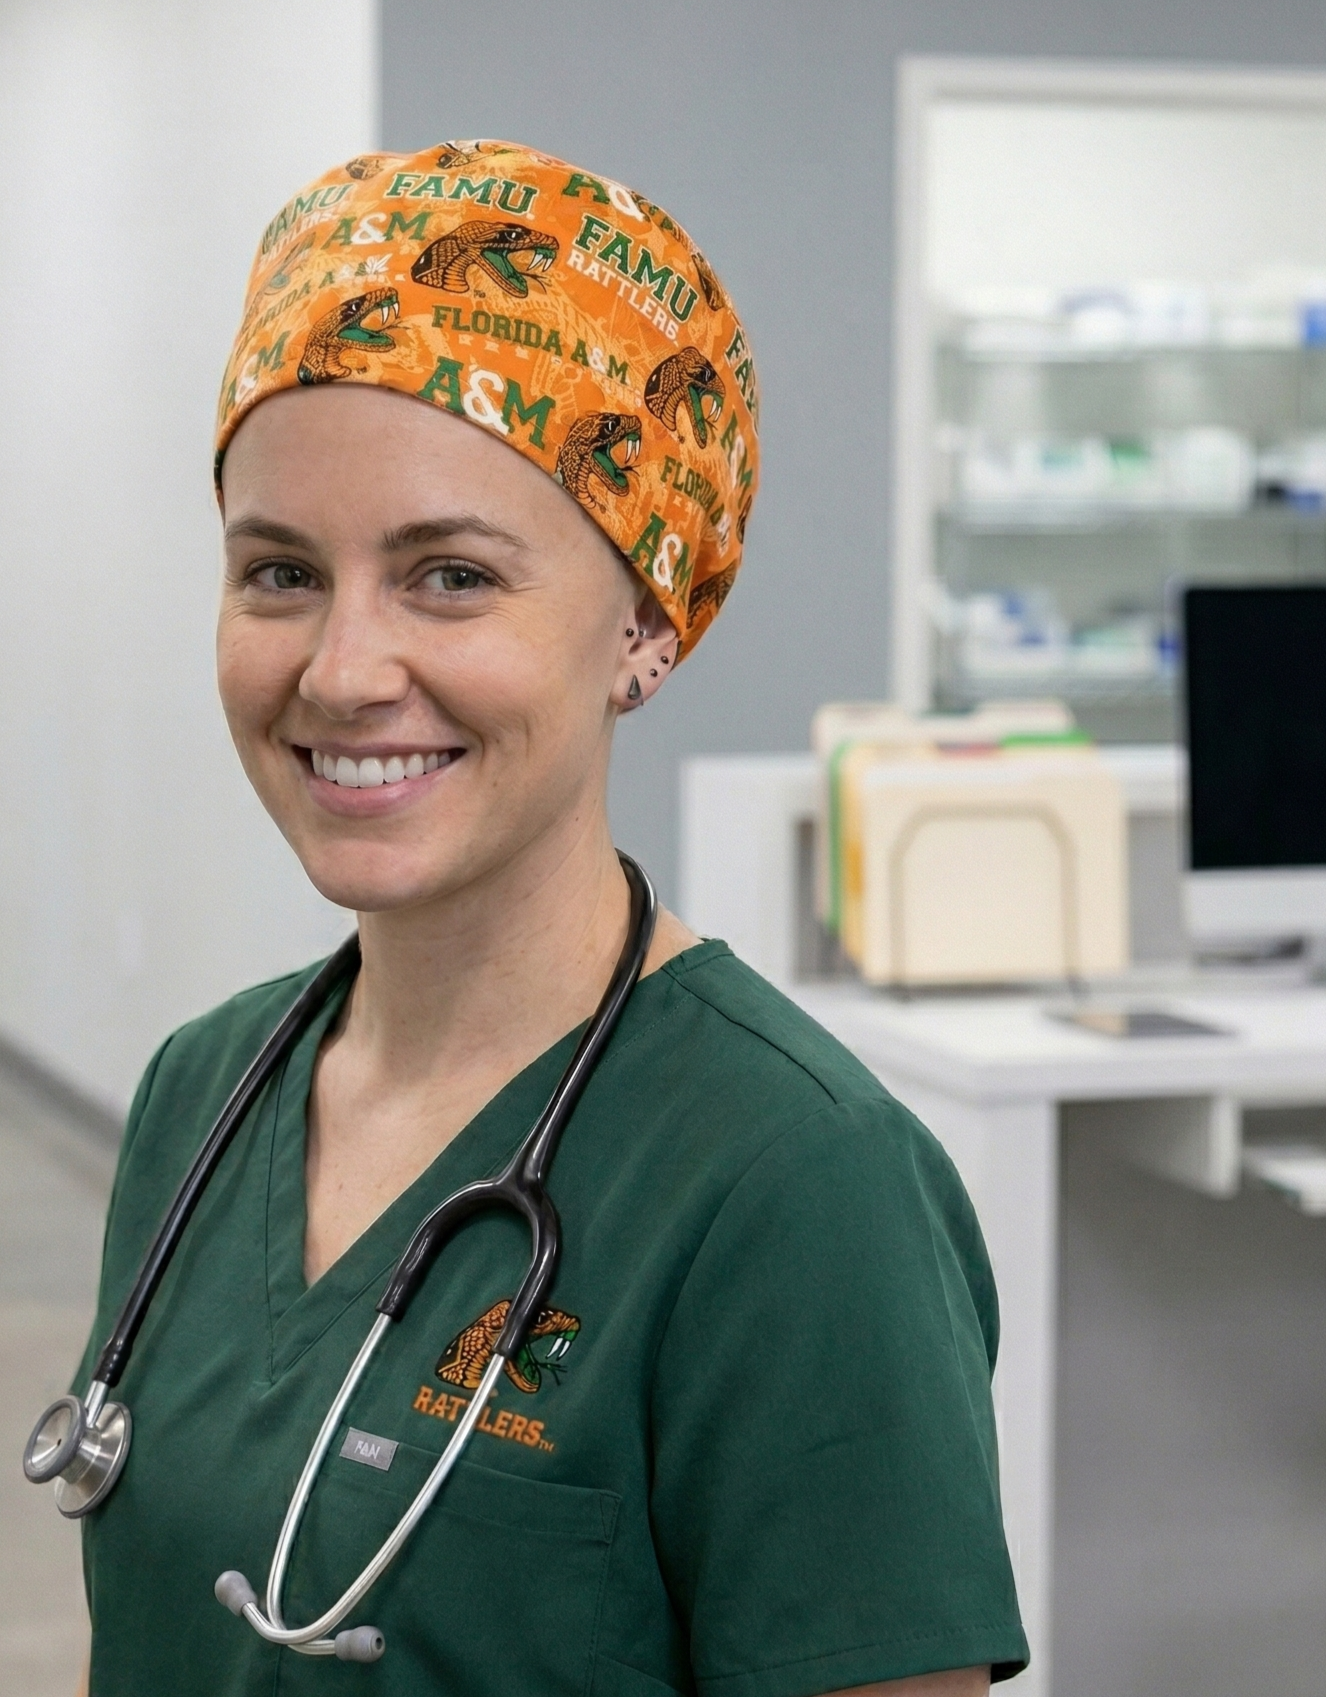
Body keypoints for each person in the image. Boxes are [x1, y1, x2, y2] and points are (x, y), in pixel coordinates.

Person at [68, 144, 1028, 1695]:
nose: (340, 667)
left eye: (448, 575)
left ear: (644, 623)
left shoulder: (795, 1188)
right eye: (279, 574)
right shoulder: (202, 1089)